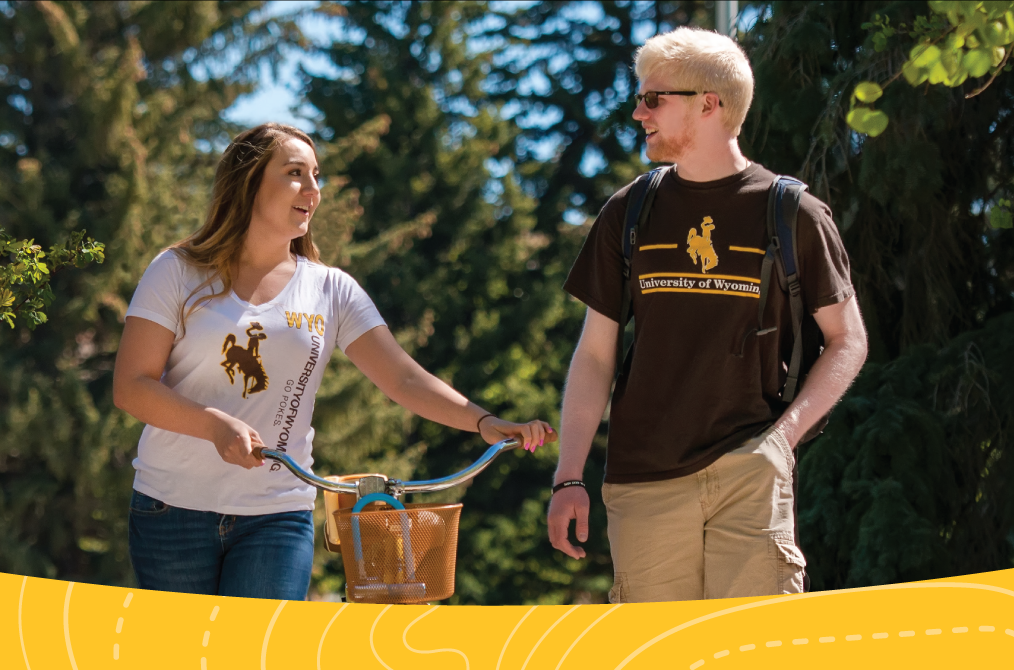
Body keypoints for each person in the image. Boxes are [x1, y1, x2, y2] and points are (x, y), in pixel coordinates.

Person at [113, 123, 556, 600]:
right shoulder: (176, 271)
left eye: (316, 175)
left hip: (276, 514)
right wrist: (213, 425)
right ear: (249, 181)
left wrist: (482, 421)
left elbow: (404, 379)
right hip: (171, 509)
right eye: (295, 173)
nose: (313, 189)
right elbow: (132, 386)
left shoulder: (331, 290)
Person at [544, 27, 869, 603]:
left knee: (750, 652)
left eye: (653, 99)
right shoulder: (629, 211)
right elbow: (596, 354)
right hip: (642, 480)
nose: (638, 112)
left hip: (750, 470)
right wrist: (570, 475)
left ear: (709, 105)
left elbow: (848, 341)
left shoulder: (793, 212)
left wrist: (783, 439)